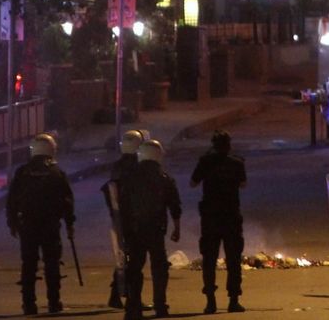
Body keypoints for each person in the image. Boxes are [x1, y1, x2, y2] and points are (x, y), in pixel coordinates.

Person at [6, 133, 75, 315]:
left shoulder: (23, 172)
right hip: (50, 225)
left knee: (28, 263)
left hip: (27, 225)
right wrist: (69, 223)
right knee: (51, 263)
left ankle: (28, 304)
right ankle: (54, 301)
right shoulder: (56, 172)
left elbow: (12, 199)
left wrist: (12, 222)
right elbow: (67, 201)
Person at [120, 140, 181, 319]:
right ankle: (160, 305)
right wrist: (177, 229)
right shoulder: (164, 178)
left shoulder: (130, 177)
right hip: (156, 230)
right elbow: (174, 206)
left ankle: (133, 307)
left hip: (135, 231)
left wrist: (123, 231)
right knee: (159, 268)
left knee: (134, 269)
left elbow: (122, 207)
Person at [190, 131, 246, 314]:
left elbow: (193, 183)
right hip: (231, 216)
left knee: (209, 260)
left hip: (211, 218)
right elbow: (243, 184)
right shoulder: (237, 163)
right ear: (229, 145)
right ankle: (233, 300)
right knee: (233, 260)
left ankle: (210, 301)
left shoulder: (205, 162)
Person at [104, 129, 146, 309]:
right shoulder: (138, 167)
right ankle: (131, 298)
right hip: (133, 219)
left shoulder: (118, 166)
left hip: (119, 218)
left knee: (123, 258)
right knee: (135, 260)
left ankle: (117, 295)